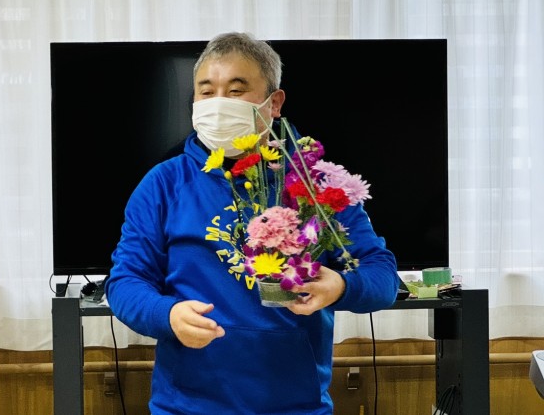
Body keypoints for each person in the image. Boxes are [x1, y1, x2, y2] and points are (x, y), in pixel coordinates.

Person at [105, 32, 399, 415]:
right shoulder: (163, 184)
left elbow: (383, 277)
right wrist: (168, 314)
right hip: (185, 406)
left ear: (273, 103)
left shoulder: (317, 184)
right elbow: (125, 282)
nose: (218, 103)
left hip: (296, 406)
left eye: (236, 90)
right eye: (206, 92)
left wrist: (342, 286)